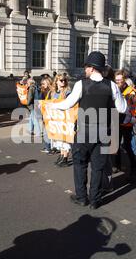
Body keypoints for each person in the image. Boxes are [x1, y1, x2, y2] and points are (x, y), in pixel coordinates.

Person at [49, 51, 127, 209]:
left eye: (86, 67)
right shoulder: (111, 85)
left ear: (91, 68)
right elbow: (122, 108)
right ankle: (95, 200)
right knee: (98, 167)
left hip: (84, 131)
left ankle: (82, 197)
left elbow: (67, 104)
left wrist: (50, 105)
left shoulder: (81, 84)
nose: (85, 70)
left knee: (80, 164)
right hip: (103, 132)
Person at [113, 70, 136, 182]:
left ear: (124, 80)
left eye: (120, 80)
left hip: (127, 124)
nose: (118, 82)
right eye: (116, 80)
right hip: (117, 122)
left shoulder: (131, 92)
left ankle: (134, 171)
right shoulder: (116, 90)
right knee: (116, 145)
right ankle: (116, 165)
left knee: (128, 147)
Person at [52, 73, 73, 167]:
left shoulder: (68, 92)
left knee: (65, 139)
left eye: (64, 80)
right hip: (57, 119)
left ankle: (65, 158)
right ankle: (61, 155)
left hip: (66, 119)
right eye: (61, 80)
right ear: (56, 81)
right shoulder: (54, 93)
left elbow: (71, 105)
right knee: (59, 139)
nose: (63, 82)